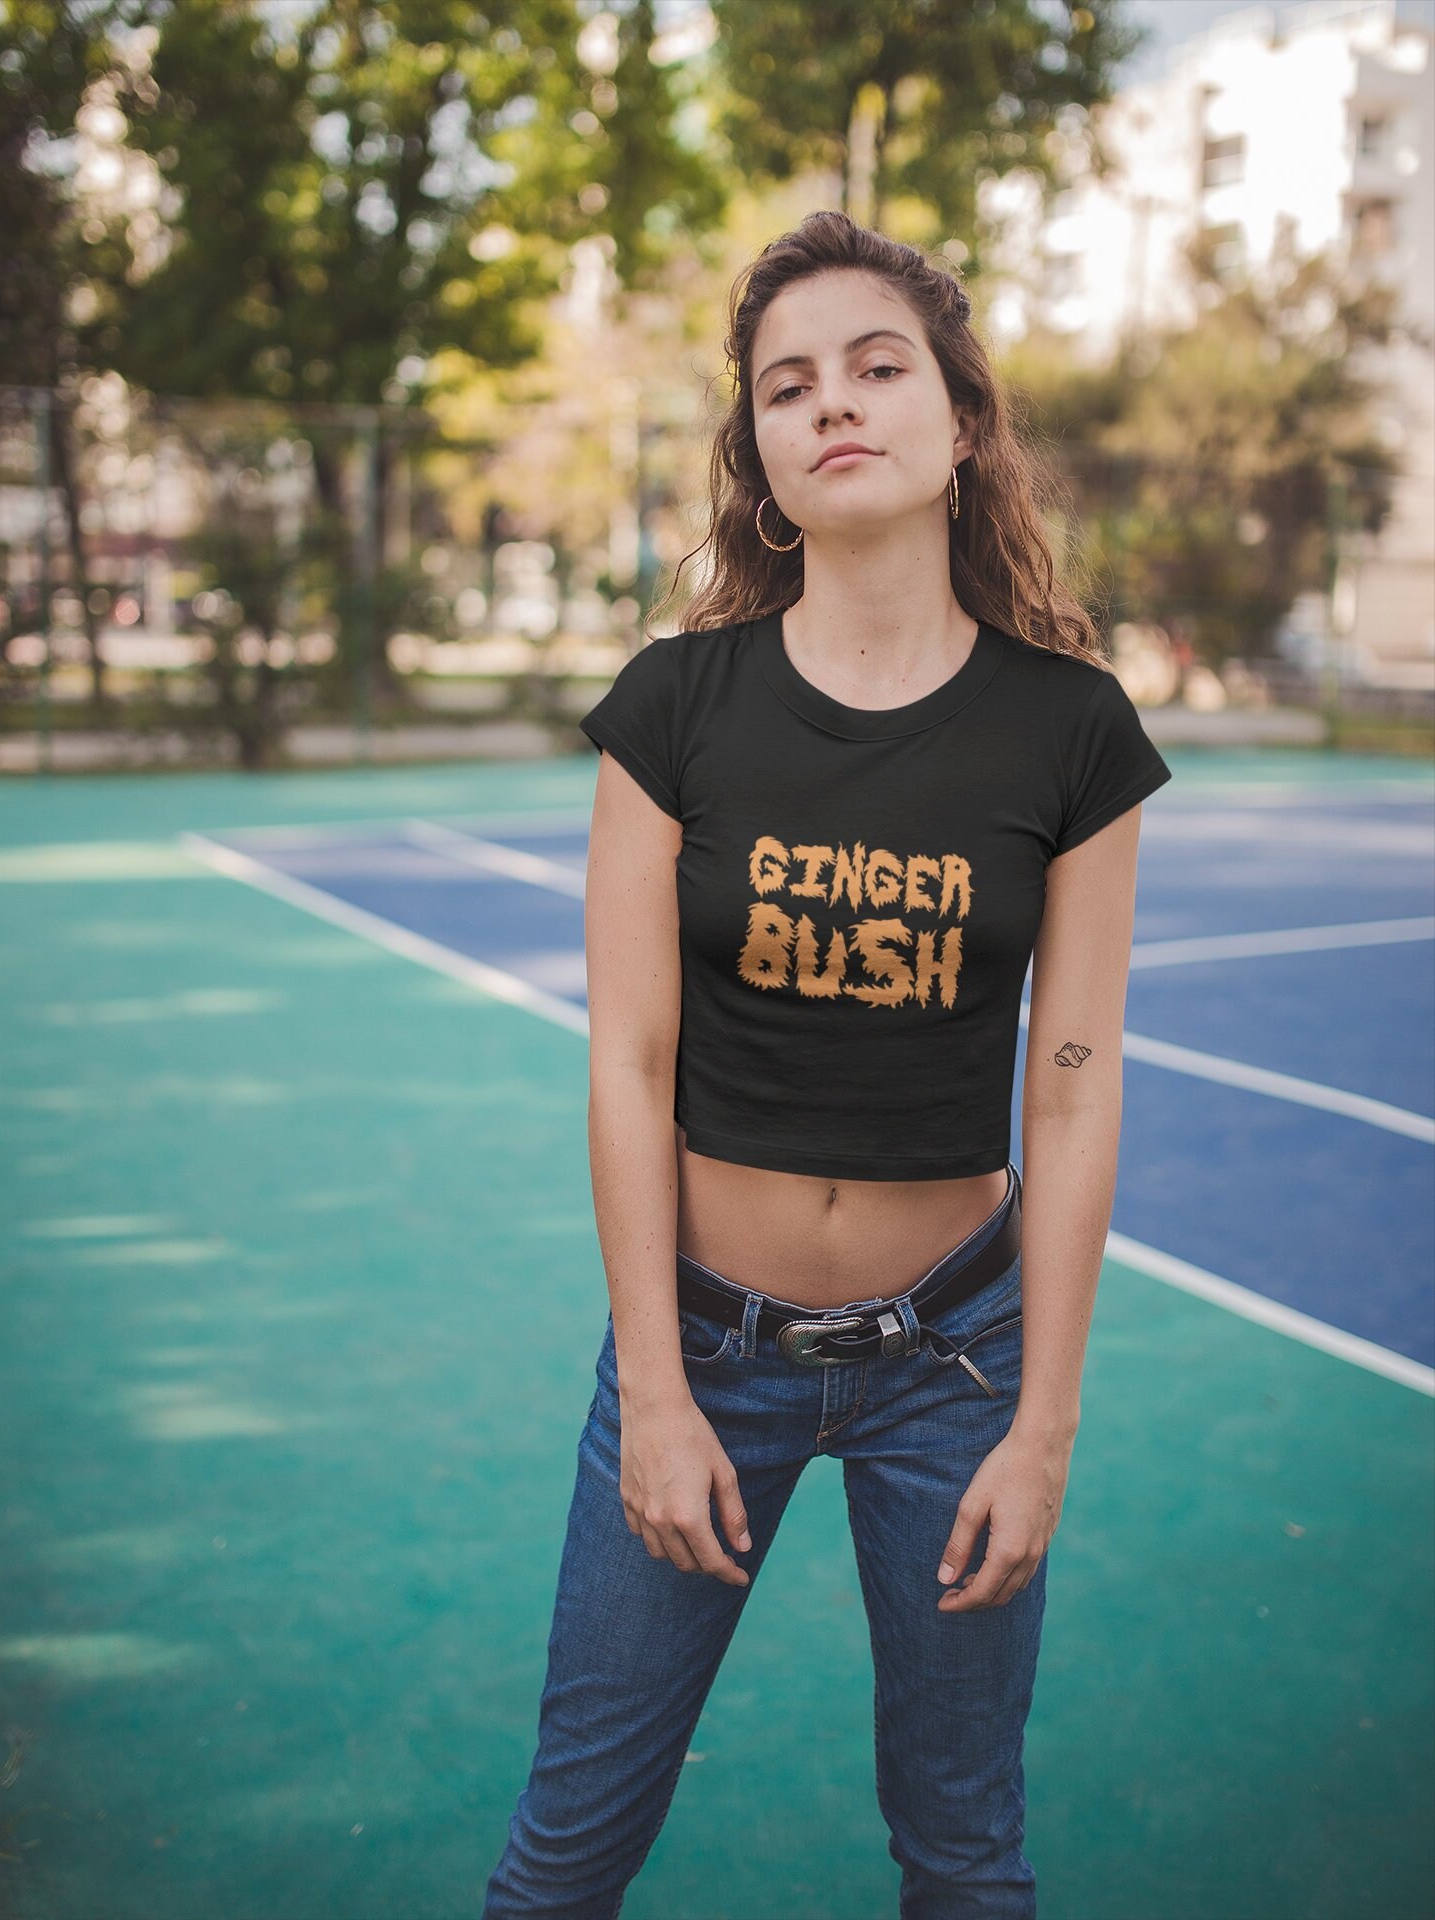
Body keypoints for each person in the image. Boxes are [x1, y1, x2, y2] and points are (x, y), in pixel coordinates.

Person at [482, 209, 1172, 1919]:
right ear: (764, 458)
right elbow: (627, 1069)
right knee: (566, 1853)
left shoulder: (1071, 729)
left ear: (960, 425)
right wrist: (655, 1388)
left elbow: (1071, 1092)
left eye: (878, 366)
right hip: (708, 1346)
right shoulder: (675, 708)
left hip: (959, 1357)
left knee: (965, 1858)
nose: (833, 403)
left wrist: (1045, 1429)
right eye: (788, 387)